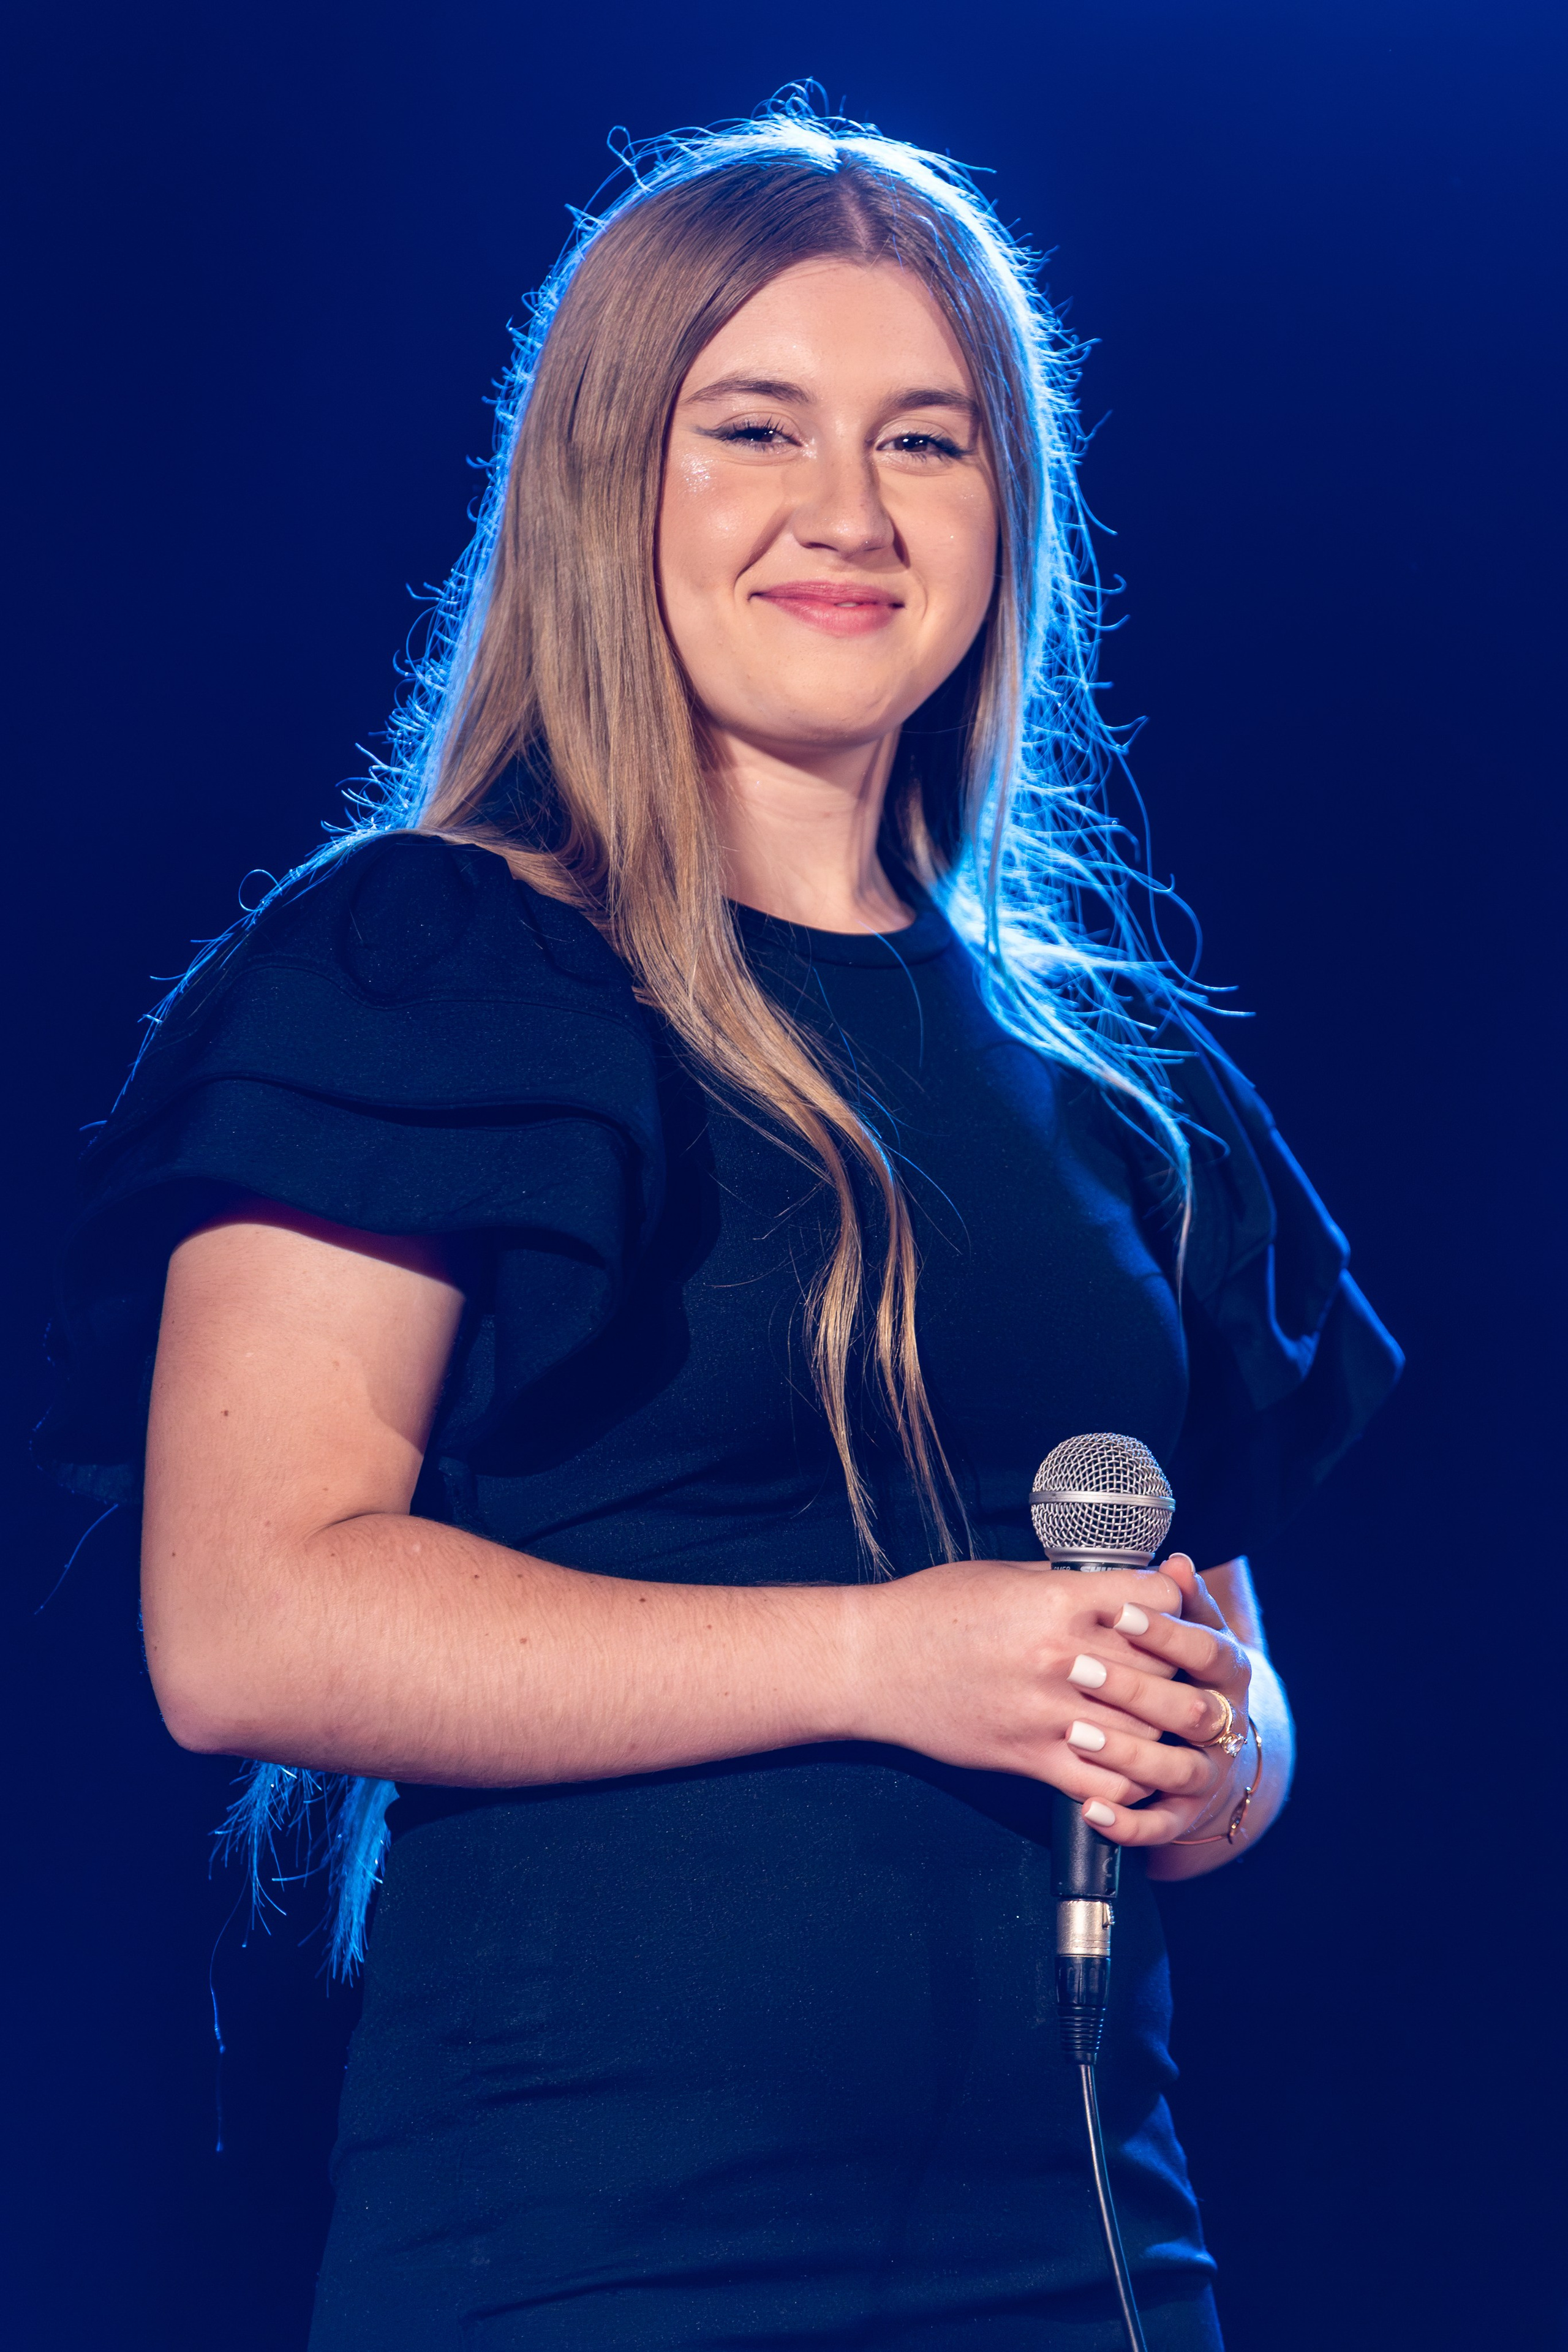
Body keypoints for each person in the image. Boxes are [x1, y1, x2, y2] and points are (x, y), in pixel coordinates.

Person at [39, 104, 1400, 2351]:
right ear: (607, 487)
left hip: (1086, 2261)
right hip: (597, 2253)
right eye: (754, 428)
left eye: (927, 443)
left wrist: (1221, 1744)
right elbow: (245, 1617)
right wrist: (884, 1656)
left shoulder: (1129, 1102)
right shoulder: (422, 973)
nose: (848, 515)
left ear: (1007, 517)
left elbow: (1234, 1696)